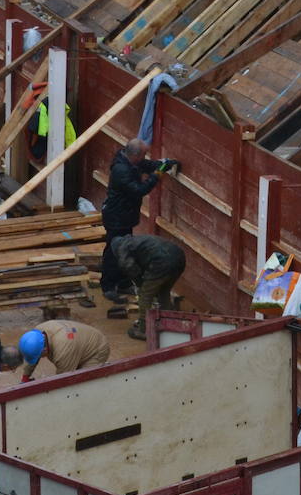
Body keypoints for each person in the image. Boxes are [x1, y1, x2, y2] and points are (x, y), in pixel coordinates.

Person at [100, 139, 178, 303]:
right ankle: (108, 286)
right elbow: (139, 190)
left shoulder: (128, 160)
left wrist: (163, 164)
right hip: (117, 217)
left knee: (123, 249)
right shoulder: (122, 171)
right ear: (135, 155)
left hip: (122, 215)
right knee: (113, 251)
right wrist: (157, 175)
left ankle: (121, 283)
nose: (144, 158)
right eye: (142, 155)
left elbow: (146, 165)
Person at [112, 234, 186, 341]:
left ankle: (144, 330)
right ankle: (168, 323)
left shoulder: (122, 249)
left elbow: (129, 267)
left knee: (145, 296)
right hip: (179, 258)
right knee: (163, 291)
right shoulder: (135, 241)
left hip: (162, 263)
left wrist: (140, 284)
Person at [17, 320, 110, 382]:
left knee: (83, 384)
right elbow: (33, 354)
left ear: (45, 350)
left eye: (40, 356)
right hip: (79, 342)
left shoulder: (63, 351)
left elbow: (63, 381)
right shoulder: (37, 332)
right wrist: (25, 377)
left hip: (97, 349)